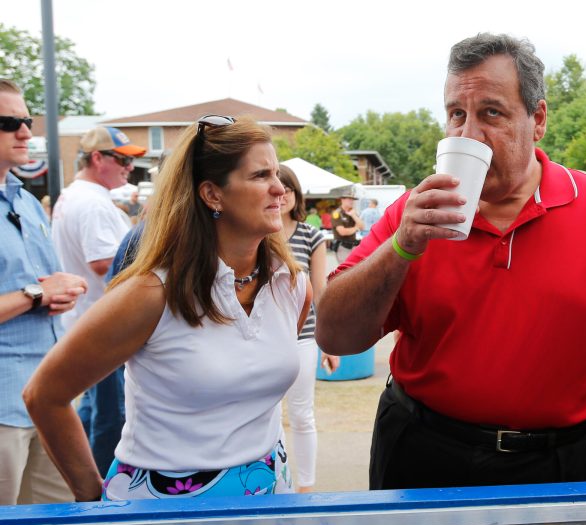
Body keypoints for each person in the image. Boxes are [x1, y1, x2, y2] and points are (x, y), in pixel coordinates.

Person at [316, 33, 586, 491]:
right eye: (457, 114)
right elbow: (335, 333)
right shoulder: (413, 213)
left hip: (563, 463)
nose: (468, 134)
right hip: (425, 453)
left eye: (491, 113)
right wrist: (403, 246)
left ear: (537, 120)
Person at [24, 115, 311, 502]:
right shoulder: (151, 292)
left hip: (268, 491)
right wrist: (90, 499)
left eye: (276, 173)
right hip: (162, 507)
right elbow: (44, 395)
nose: (281, 189)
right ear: (212, 194)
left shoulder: (292, 284)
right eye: (261, 176)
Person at [0, 78, 87, 505]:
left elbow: (45, 286)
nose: (24, 132)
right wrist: (36, 293)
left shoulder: (28, 202)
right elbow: (36, 289)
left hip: (48, 398)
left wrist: (59, 294)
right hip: (3, 408)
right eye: (7, 122)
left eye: (26, 121)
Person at [51, 125, 146, 477]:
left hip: (87, 322)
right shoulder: (92, 202)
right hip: (104, 329)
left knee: (94, 411)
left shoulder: (76, 196)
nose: (128, 168)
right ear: (97, 158)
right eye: (122, 159)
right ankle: (103, 498)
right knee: (111, 417)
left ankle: (83, 483)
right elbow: (106, 263)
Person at [278, 163, 339, 492]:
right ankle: (276, 484)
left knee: (302, 414)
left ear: (296, 194)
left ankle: (306, 486)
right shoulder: (256, 231)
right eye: (277, 187)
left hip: (303, 338)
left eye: (288, 188)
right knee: (267, 417)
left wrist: (329, 342)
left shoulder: (311, 235)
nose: (282, 194)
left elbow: (320, 291)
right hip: (264, 340)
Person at [331, 190, 364, 262]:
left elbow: (362, 227)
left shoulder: (352, 212)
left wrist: (354, 215)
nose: (352, 201)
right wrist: (355, 228)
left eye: (353, 199)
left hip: (353, 245)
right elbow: (342, 232)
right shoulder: (337, 213)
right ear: (342, 200)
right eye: (349, 199)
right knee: (346, 269)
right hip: (342, 246)